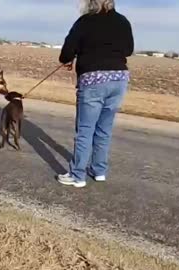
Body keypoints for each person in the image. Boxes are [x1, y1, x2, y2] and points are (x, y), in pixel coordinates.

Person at [57, 0, 134, 188]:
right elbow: (129, 50)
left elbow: (67, 52)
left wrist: (70, 59)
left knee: (85, 130)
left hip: (93, 80)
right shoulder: (123, 21)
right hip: (119, 78)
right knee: (104, 129)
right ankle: (99, 170)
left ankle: (77, 175)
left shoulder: (85, 22)